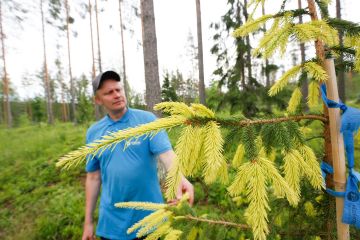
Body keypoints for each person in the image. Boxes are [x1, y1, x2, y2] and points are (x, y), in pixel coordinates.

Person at [82, 70, 194, 240]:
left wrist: (179, 177)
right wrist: (88, 221)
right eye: (109, 92)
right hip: (112, 223)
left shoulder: (146, 120)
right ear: (98, 100)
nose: (116, 95)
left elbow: (166, 154)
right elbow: (93, 178)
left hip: (151, 219)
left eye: (118, 89)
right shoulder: (94, 132)